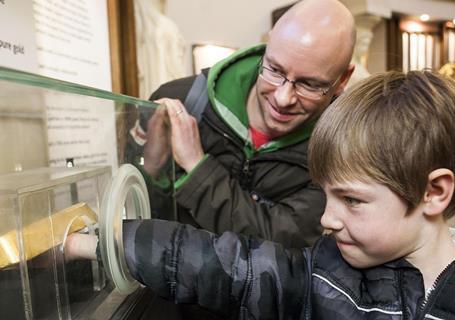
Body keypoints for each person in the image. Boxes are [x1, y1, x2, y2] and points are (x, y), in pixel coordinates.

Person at [68, 70, 455, 318]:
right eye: (327, 196)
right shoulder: (326, 273)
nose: (326, 219)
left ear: (434, 192)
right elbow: (222, 265)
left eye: (352, 200)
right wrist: (96, 242)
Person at [139, 0, 356, 248]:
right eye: (275, 70)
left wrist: (197, 167)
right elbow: (141, 215)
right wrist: (153, 172)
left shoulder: (340, 152)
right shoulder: (182, 98)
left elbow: (282, 242)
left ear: (342, 80)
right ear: (269, 43)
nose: (283, 98)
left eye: (309, 84)